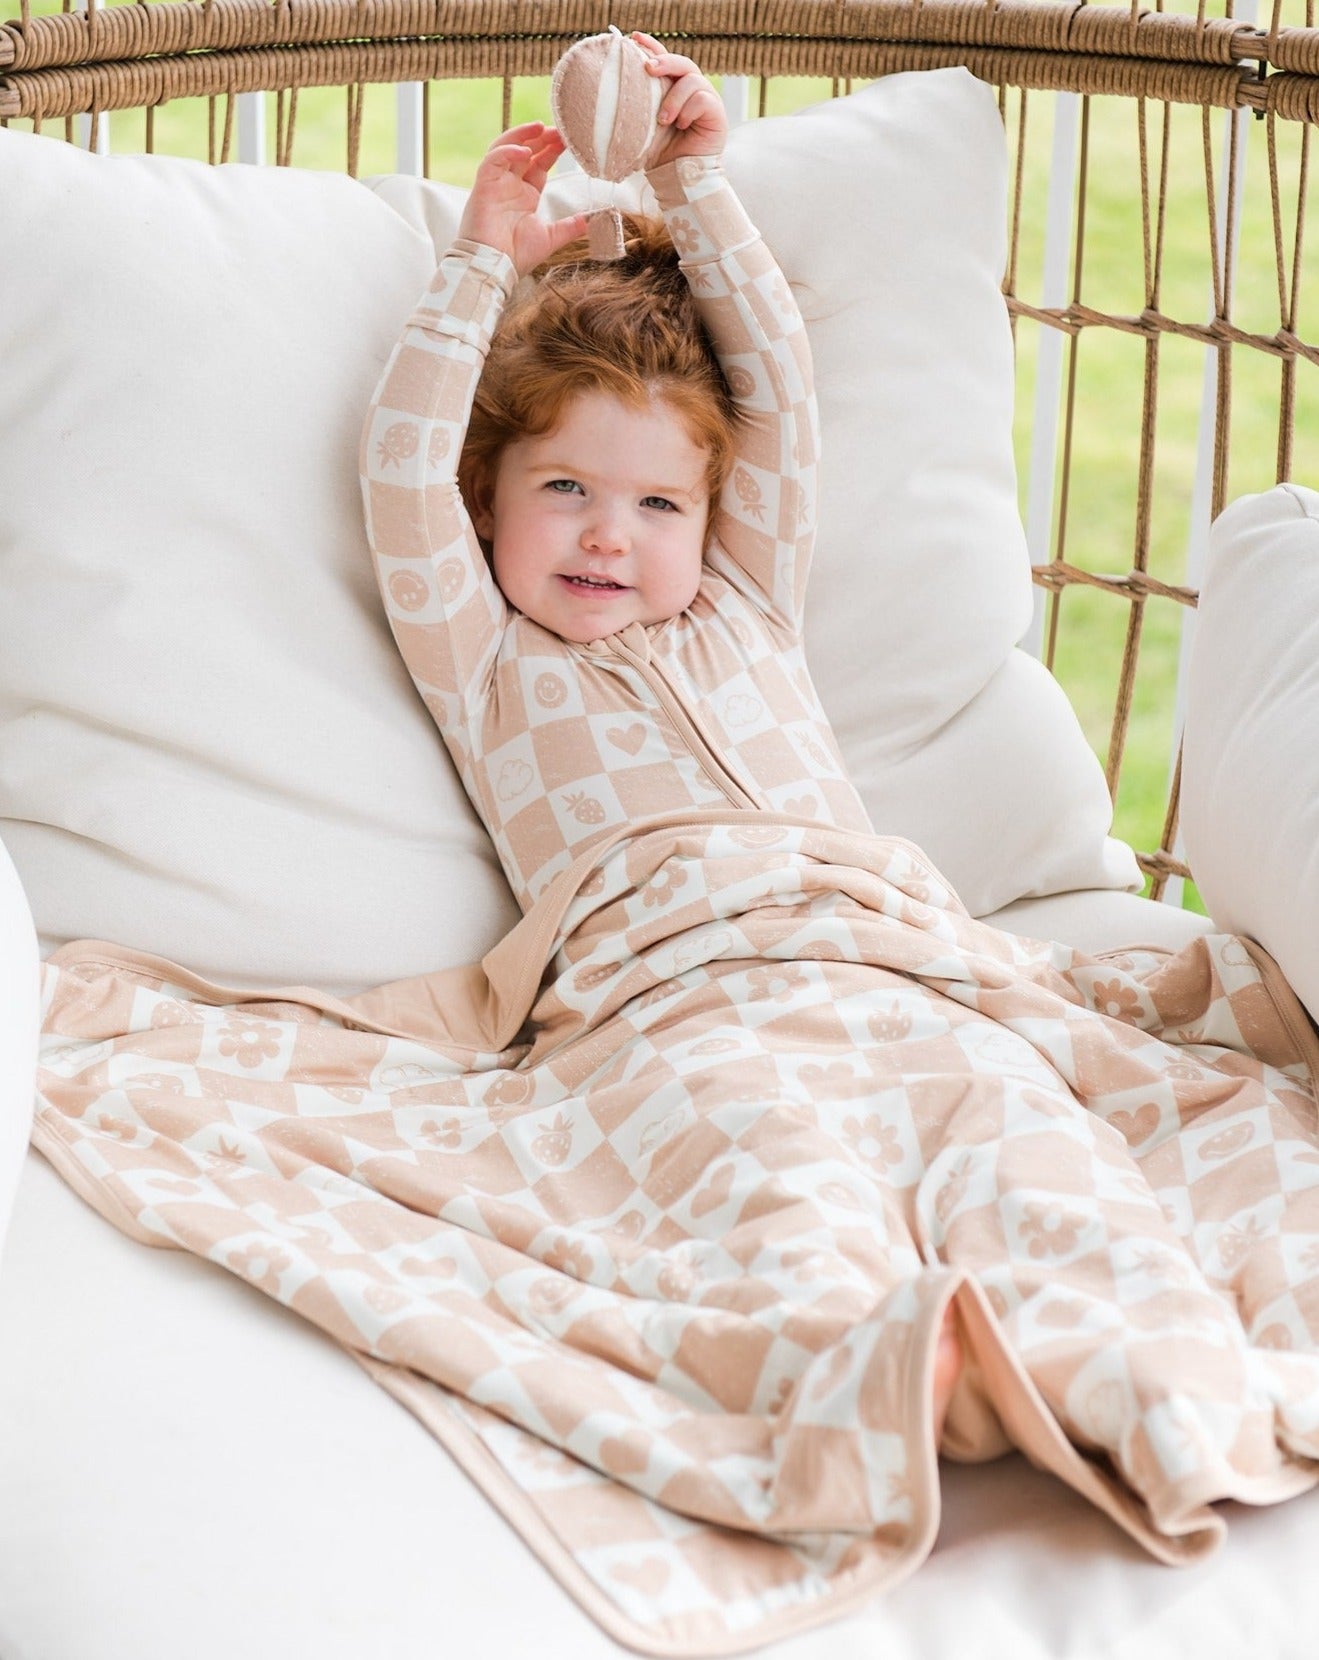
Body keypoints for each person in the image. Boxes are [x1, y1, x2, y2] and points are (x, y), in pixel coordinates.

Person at [361, 33, 961, 1435]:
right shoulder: (490, 659)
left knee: (985, 1110)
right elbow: (399, 472)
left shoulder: (745, 601)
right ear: (492, 496)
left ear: (708, 514)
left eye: (654, 506)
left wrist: (698, 183)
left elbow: (783, 390)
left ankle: (1053, 1311)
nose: (605, 537)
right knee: (763, 1152)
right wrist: (479, 268)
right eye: (563, 485)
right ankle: (855, 1351)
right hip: (668, 981)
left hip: (875, 945)